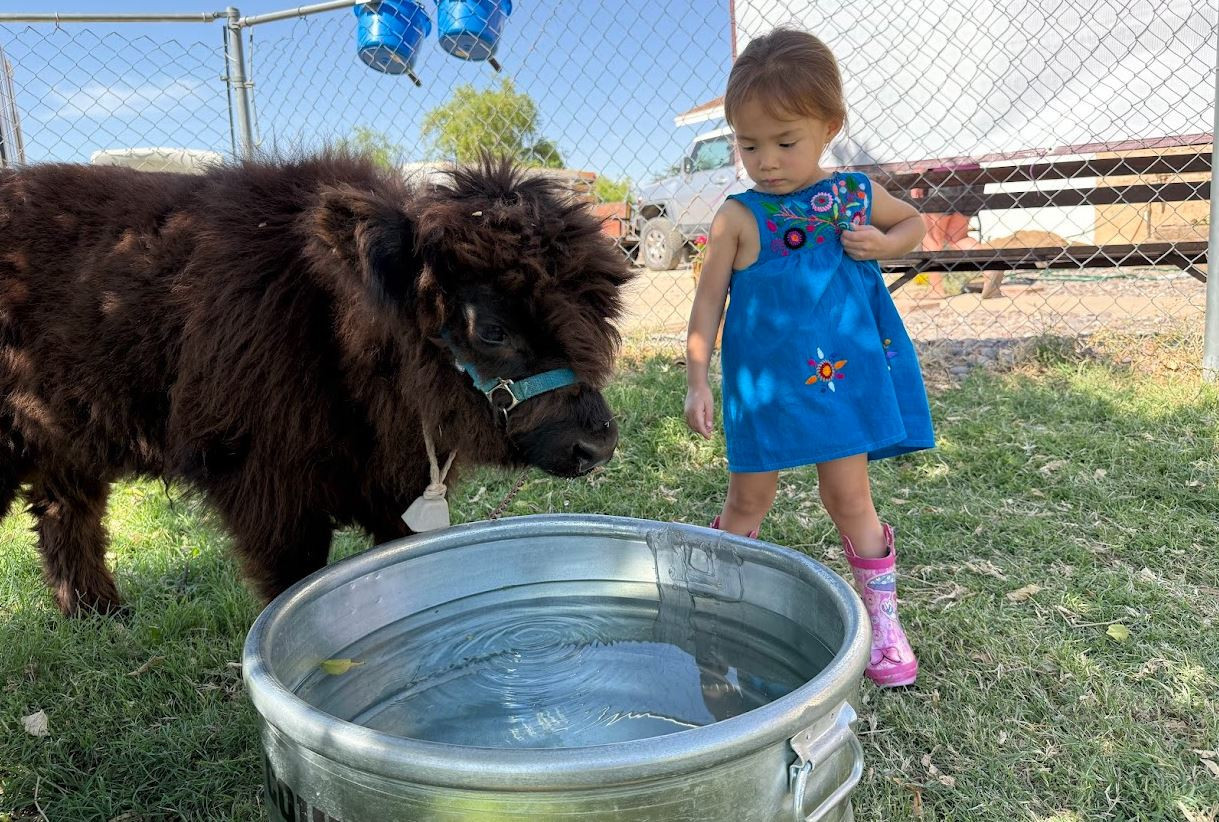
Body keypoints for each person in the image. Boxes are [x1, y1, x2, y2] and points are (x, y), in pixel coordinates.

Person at [683, 28, 935, 688]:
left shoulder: (852, 194)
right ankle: (718, 612)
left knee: (848, 495)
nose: (766, 162)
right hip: (762, 389)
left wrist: (884, 245)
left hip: (835, 384)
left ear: (829, 127)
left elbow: (912, 223)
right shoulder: (737, 217)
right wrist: (696, 380)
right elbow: (707, 307)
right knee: (748, 499)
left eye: (784, 142)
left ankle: (883, 624)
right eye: (748, 145)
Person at [915, 164, 1004, 299]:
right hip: (974, 175)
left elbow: (924, 158)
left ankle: (936, 291)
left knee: (931, 237)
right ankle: (991, 267)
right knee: (958, 237)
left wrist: (917, 180)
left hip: (943, 175)